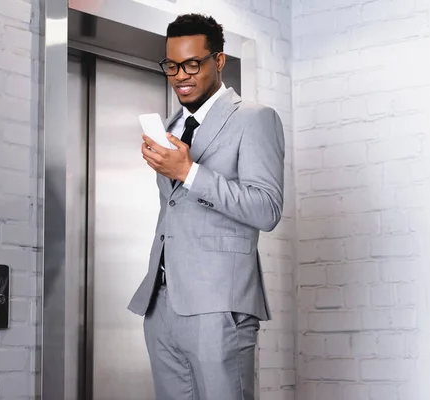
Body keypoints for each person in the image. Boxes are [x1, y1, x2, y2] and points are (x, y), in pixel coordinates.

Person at [127, 13, 285, 400]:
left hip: (219, 306)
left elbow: (266, 208)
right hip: (161, 305)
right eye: (172, 65)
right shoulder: (173, 125)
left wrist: (189, 171)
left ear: (219, 61)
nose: (181, 75)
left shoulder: (254, 119)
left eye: (192, 64)